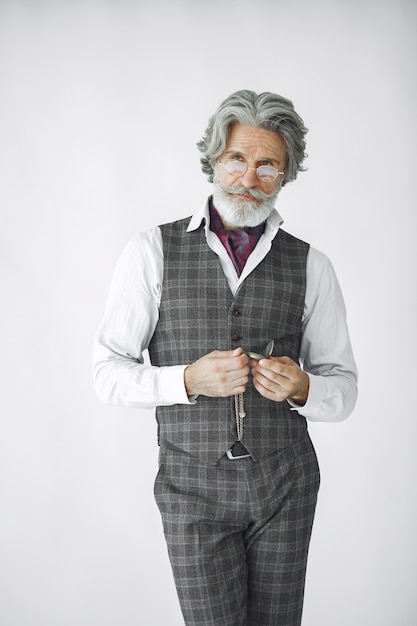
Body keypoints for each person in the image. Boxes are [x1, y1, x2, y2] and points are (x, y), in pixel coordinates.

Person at [93, 89, 358, 626]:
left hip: (286, 484)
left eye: (268, 165)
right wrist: (187, 379)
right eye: (237, 158)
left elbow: (343, 389)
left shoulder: (312, 265)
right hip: (192, 488)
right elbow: (107, 373)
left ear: (286, 174)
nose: (249, 177)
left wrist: (304, 387)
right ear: (215, 158)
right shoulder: (151, 250)